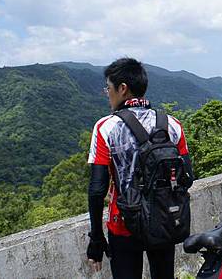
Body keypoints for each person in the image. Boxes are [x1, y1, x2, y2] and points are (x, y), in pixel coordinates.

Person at [86, 57, 192, 279]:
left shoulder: (106, 127)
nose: (108, 94)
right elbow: (187, 177)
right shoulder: (172, 124)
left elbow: (97, 190)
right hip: (163, 219)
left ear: (122, 89)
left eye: (109, 88)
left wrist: (96, 238)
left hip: (123, 224)